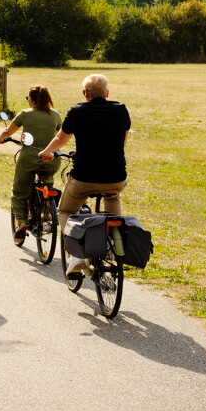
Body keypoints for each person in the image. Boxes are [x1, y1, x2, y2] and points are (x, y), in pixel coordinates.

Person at [39, 73, 131, 276]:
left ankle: (77, 256)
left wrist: (46, 152)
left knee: (64, 211)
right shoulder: (121, 111)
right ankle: (113, 240)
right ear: (107, 93)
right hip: (115, 176)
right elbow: (122, 144)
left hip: (84, 178)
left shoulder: (77, 111)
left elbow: (60, 140)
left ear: (86, 93)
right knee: (113, 195)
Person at [0, 85, 63, 246]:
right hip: (51, 159)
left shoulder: (25, 114)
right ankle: (48, 206)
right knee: (47, 180)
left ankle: (22, 222)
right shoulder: (55, 114)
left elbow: (8, 132)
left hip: (29, 159)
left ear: (31, 100)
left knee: (18, 192)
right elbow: (60, 133)